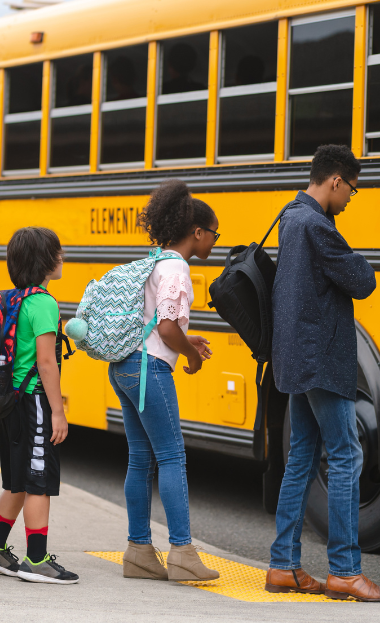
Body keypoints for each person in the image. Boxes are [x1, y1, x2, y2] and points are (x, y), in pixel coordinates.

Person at [268, 145, 380, 601]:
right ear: (336, 181)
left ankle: (283, 565)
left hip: (295, 360)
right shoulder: (317, 226)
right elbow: (364, 280)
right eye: (351, 192)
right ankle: (344, 570)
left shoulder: (290, 218)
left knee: (302, 458)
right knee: (346, 457)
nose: (349, 201)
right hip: (321, 361)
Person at [109, 179, 219, 582]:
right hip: (149, 370)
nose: (214, 242)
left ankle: (138, 549)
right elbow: (169, 328)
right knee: (172, 457)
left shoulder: (154, 260)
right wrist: (189, 354)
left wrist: (185, 341)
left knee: (141, 459)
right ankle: (182, 552)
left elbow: (156, 323)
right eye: (214, 234)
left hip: (125, 366)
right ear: (197, 233)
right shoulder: (177, 268)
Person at [0, 226, 79, 584]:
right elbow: (47, 363)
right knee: (38, 482)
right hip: (34, 402)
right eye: (57, 253)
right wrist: (57, 412)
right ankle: (37, 559)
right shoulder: (43, 302)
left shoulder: (13, 298)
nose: (62, 258)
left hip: (10, 401)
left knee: (18, 481)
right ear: (44, 261)